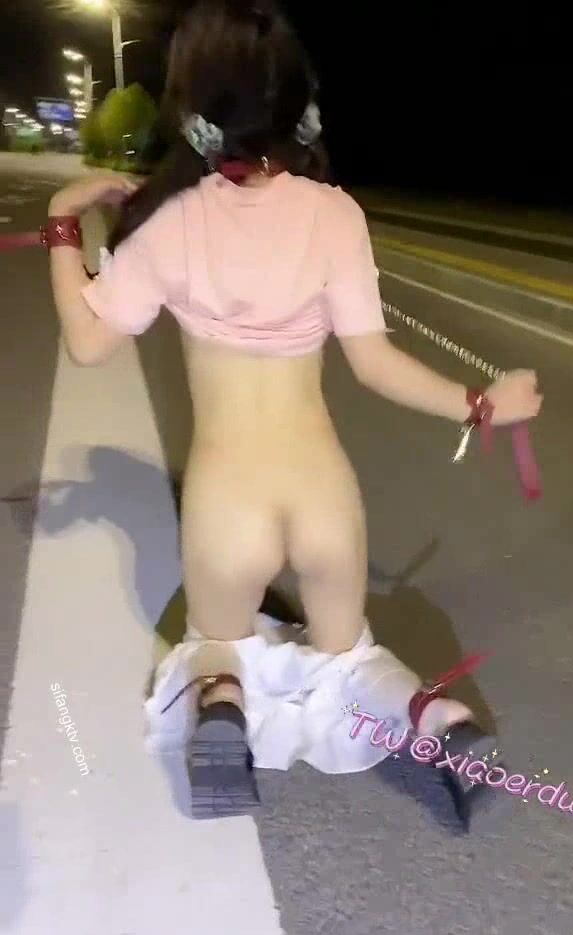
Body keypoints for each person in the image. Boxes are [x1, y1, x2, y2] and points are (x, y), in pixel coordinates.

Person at [45, 0, 542, 826]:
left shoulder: (169, 223)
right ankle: (437, 718)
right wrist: (485, 403)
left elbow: (88, 343)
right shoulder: (335, 214)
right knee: (349, 655)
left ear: (194, 110)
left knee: (217, 647)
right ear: (298, 106)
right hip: (323, 495)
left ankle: (224, 702)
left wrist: (64, 221)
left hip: (227, 502)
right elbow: (376, 364)